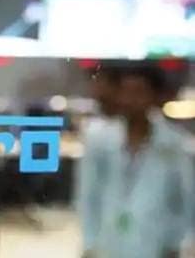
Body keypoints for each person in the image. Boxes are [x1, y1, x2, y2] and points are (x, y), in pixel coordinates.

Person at [78, 65, 193, 258]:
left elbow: (185, 201)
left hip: (156, 246)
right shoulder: (99, 140)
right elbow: (88, 196)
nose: (130, 100)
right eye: (125, 92)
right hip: (108, 245)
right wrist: (89, 244)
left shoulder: (174, 144)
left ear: (154, 96)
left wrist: (179, 244)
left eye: (139, 92)